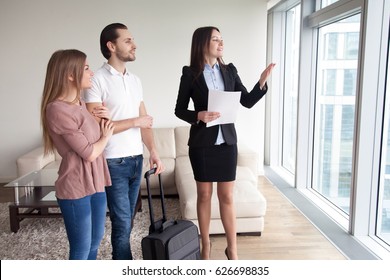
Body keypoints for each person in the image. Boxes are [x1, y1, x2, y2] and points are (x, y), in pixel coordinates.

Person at [174, 26, 275, 260]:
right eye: (215, 40)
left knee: (227, 197)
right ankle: (206, 246)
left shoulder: (230, 70)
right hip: (202, 143)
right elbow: (179, 109)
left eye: (222, 39)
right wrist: (198, 115)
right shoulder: (190, 73)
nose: (221, 44)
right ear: (202, 44)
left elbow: (247, 101)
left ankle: (233, 249)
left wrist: (261, 83)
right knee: (204, 195)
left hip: (227, 142)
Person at [83, 23, 164, 260]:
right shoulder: (96, 80)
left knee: (127, 219)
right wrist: (135, 121)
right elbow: (98, 127)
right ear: (111, 46)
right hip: (111, 161)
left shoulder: (135, 80)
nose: (134, 45)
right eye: (128, 40)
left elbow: (145, 122)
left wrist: (154, 151)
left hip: (136, 160)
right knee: (120, 222)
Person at [40, 49, 115, 260]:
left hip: (96, 182)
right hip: (75, 187)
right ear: (70, 75)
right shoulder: (56, 109)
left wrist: (106, 119)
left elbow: (97, 139)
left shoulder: (81, 105)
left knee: (95, 241)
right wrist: (106, 136)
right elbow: (90, 153)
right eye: (87, 68)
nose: (92, 73)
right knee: (81, 248)